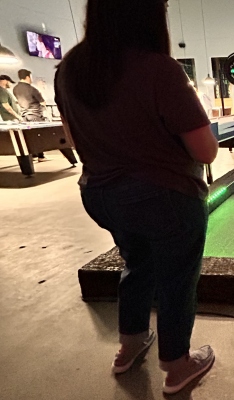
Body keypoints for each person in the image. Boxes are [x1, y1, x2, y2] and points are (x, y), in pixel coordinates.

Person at [54, 0, 219, 395]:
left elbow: (76, 142)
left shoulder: (69, 70)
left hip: (101, 196)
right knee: (177, 279)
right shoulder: (158, 69)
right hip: (167, 199)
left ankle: (129, 346)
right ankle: (177, 365)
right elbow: (206, 150)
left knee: (136, 264)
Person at [13, 69, 47, 160]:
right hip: (35, 115)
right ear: (28, 77)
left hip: (24, 116)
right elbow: (42, 102)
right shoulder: (32, 89)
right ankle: (41, 156)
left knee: (29, 136)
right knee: (38, 135)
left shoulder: (15, 89)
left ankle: (33, 155)